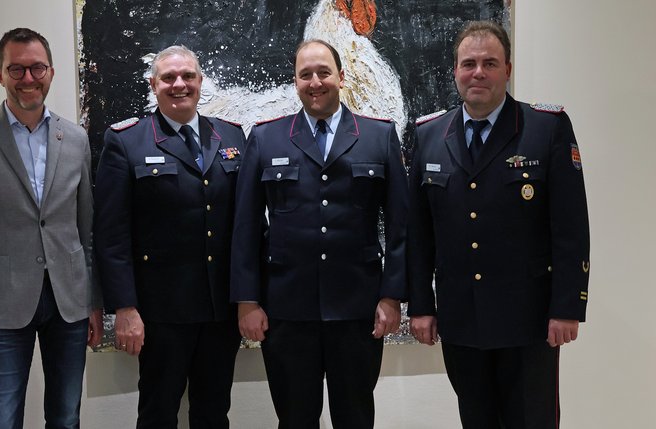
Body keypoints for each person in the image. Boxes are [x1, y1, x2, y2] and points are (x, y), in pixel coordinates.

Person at [407, 20, 590, 428]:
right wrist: (420, 305)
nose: (478, 73)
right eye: (468, 64)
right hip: (461, 318)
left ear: (507, 69)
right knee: (476, 420)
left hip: (528, 319)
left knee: (531, 420)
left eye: (489, 63)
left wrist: (567, 307)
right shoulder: (429, 134)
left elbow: (570, 228)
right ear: (455, 71)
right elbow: (419, 234)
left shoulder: (546, 128)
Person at [230, 39, 408, 428]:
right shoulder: (266, 138)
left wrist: (392, 296)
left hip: (357, 310)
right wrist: (247, 300)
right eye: (305, 74)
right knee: (295, 419)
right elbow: (245, 226)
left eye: (323, 72)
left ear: (341, 77)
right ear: (295, 81)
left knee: (355, 418)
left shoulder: (378, 136)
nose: (315, 82)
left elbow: (401, 227)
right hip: (287, 311)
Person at [0, 27, 103, 429]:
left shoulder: (76, 138)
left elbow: (86, 231)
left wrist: (93, 302)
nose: (28, 78)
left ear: (51, 72)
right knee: (1, 419)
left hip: (68, 303)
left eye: (37, 68)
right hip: (0, 305)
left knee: (66, 418)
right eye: (16, 69)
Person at [93, 45, 246, 428]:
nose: (179, 84)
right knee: (158, 414)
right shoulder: (127, 141)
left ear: (200, 81)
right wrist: (125, 308)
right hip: (161, 312)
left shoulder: (230, 135)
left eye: (188, 76)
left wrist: (250, 297)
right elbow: (111, 235)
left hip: (219, 310)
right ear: (153, 84)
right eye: (169, 78)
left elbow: (244, 226)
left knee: (214, 413)